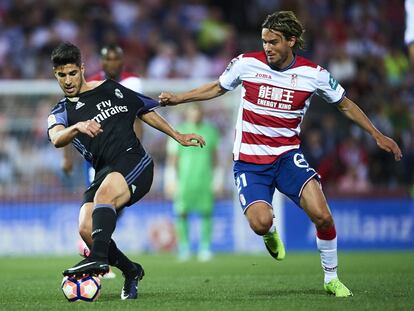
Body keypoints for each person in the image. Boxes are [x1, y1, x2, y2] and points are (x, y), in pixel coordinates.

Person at [159, 11, 403, 297]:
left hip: (287, 157)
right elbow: (216, 87)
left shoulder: (314, 75)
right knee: (260, 222)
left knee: (323, 216)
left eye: (274, 42)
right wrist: (179, 98)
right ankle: (269, 233)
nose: (267, 47)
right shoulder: (245, 64)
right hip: (250, 162)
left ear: (291, 40)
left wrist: (376, 134)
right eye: (264, 41)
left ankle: (331, 277)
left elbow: (346, 104)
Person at [47, 42, 205, 300]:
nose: (67, 80)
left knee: (104, 196)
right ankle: (131, 271)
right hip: (104, 172)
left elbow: (144, 109)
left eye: (72, 73)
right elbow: (56, 138)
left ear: (82, 69)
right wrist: (77, 128)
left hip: (135, 162)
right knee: (86, 228)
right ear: (55, 75)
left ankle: (98, 259)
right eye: (61, 75)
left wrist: (177, 135)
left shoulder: (110, 88)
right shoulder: (60, 112)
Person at [61, 44, 144, 279]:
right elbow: (69, 124)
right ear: (103, 62)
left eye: (117, 58)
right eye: (108, 59)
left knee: (110, 208)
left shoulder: (132, 83)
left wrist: (135, 147)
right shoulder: (90, 83)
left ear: (121, 61)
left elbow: (139, 117)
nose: (113, 63)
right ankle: (97, 254)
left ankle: (96, 251)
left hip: (124, 154)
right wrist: (67, 158)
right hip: (97, 159)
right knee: (103, 206)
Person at [164, 104, 221, 262]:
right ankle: (184, 247)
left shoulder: (210, 131)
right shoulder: (179, 131)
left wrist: (218, 179)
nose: (195, 114)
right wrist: (170, 179)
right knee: (182, 213)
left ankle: (205, 247)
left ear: (202, 112)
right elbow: (173, 159)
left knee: (206, 213)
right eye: (193, 110)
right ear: (187, 113)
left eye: (198, 110)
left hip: (204, 179)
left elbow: (215, 157)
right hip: (184, 180)